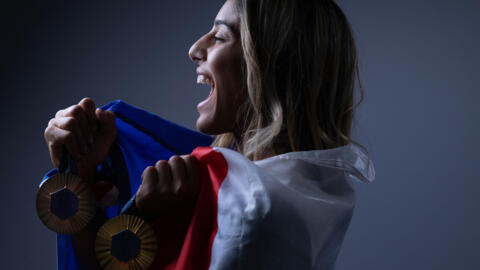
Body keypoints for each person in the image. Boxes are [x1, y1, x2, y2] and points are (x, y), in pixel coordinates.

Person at [43, 0, 374, 269]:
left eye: (219, 36)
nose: (195, 48)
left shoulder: (246, 203)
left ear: (268, 65)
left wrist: (140, 216)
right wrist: (80, 176)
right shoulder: (320, 190)